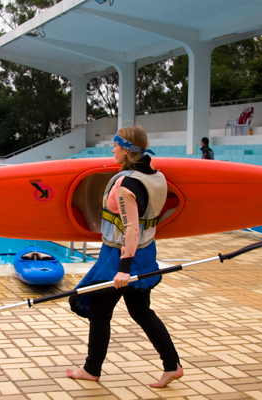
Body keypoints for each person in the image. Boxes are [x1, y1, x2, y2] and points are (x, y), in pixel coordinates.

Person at [67, 126, 183, 388]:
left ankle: (91, 369)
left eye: (116, 145)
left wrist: (123, 270)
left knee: (99, 309)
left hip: (120, 258)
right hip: (144, 252)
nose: (112, 149)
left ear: (127, 150)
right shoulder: (155, 175)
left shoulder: (126, 185)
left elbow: (131, 227)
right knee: (141, 311)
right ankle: (172, 365)